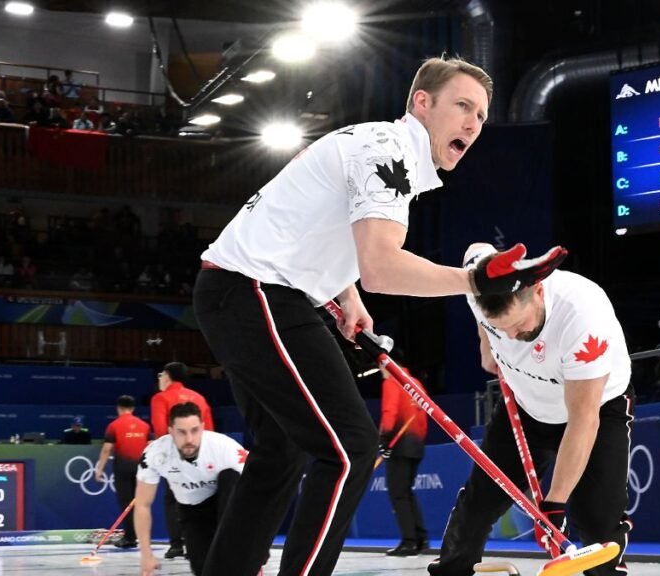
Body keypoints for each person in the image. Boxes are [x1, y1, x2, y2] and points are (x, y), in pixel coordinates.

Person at [193, 56, 566, 576]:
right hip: (258, 291)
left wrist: (348, 299)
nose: (473, 124)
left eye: (480, 116)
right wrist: (474, 281)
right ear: (421, 103)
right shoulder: (387, 154)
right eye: (462, 106)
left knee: (282, 451)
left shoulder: (379, 149)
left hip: (241, 292)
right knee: (349, 450)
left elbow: (336, 237)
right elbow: (383, 267)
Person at [427, 243, 632, 576]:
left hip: (595, 407)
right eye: (500, 328)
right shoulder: (479, 287)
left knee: (597, 516)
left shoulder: (582, 316)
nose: (511, 336)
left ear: (537, 290)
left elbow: (583, 419)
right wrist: (485, 341)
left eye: (519, 326)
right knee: (480, 501)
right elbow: (476, 249)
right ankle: (451, 570)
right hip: (526, 407)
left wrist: (553, 505)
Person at [135, 402, 247, 576]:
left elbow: (258, 489)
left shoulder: (225, 448)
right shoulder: (155, 454)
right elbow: (142, 504)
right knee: (203, 568)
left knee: (230, 476)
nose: (189, 439)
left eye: (194, 431)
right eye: (181, 432)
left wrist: (258, 539)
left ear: (202, 428)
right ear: (170, 430)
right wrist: (146, 554)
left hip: (226, 501)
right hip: (192, 508)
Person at [150, 361, 214, 559]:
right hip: (202, 453)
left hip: (176, 455)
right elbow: (209, 429)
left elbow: (162, 431)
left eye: (161, 375)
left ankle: (177, 544)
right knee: (202, 499)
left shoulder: (161, 398)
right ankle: (199, 544)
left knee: (174, 499)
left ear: (167, 376)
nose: (159, 379)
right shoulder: (199, 398)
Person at [378, 350, 429, 556]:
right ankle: (421, 539)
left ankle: (409, 542)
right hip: (416, 444)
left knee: (398, 493)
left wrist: (384, 440)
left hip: (399, 443)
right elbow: (425, 414)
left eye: (381, 365)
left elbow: (389, 413)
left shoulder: (392, 382)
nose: (380, 370)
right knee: (406, 492)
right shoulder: (415, 382)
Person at [94, 395, 151, 548]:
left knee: (126, 503)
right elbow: (152, 447)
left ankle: (130, 537)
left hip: (123, 469)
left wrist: (99, 469)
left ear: (118, 408)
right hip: (142, 470)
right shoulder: (144, 426)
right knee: (142, 504)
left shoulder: (114, 425)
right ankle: (142, 536)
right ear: (133, 409)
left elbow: (106, 450)